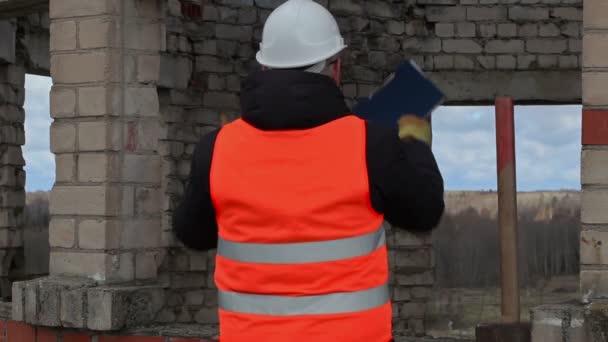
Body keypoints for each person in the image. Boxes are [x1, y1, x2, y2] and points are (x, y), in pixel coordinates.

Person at [173, 0, 445, 341]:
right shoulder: (371, 145)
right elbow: (425, 212)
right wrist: (414, 142)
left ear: (265, 67)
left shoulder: (216, 149)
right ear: (336, 68)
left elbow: (192, 234)